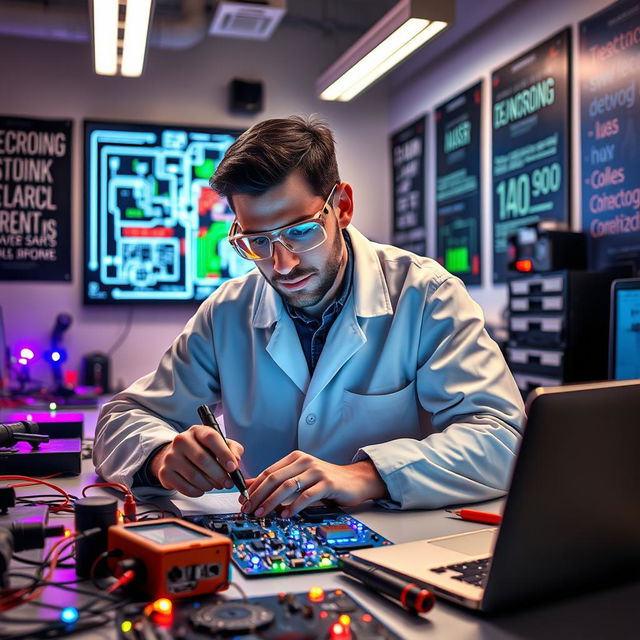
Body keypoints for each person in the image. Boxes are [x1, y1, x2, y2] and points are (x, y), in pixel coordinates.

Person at [94, 115, 525, 516]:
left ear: (342, 206)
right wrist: (161, 455)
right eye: (257, 242)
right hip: (264, 548)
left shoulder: (426, 295)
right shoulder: (227, 312)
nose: (281, 264)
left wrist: (367, 475)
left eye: (300, 232)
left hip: (397, 550)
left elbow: (504, 440)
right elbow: (119, 419)